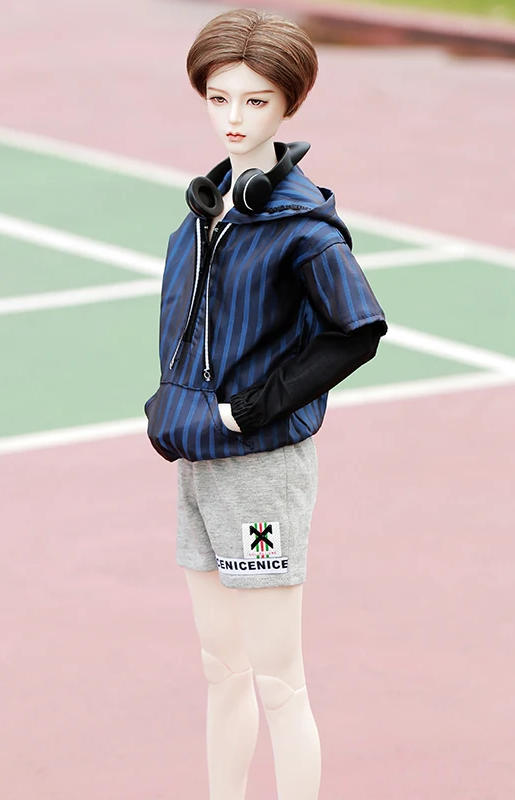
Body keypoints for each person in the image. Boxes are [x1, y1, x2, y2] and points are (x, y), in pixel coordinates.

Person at [143, 9, 388, 800]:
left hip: (259, 475)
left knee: (279, 682)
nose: (234, 119)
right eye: (219, 99)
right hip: (197, 463)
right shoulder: (209, 211)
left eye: (255, 101)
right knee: (222, 669)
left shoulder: (303, 228)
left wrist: (245, 411)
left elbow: (357, 330)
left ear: (289, 105)